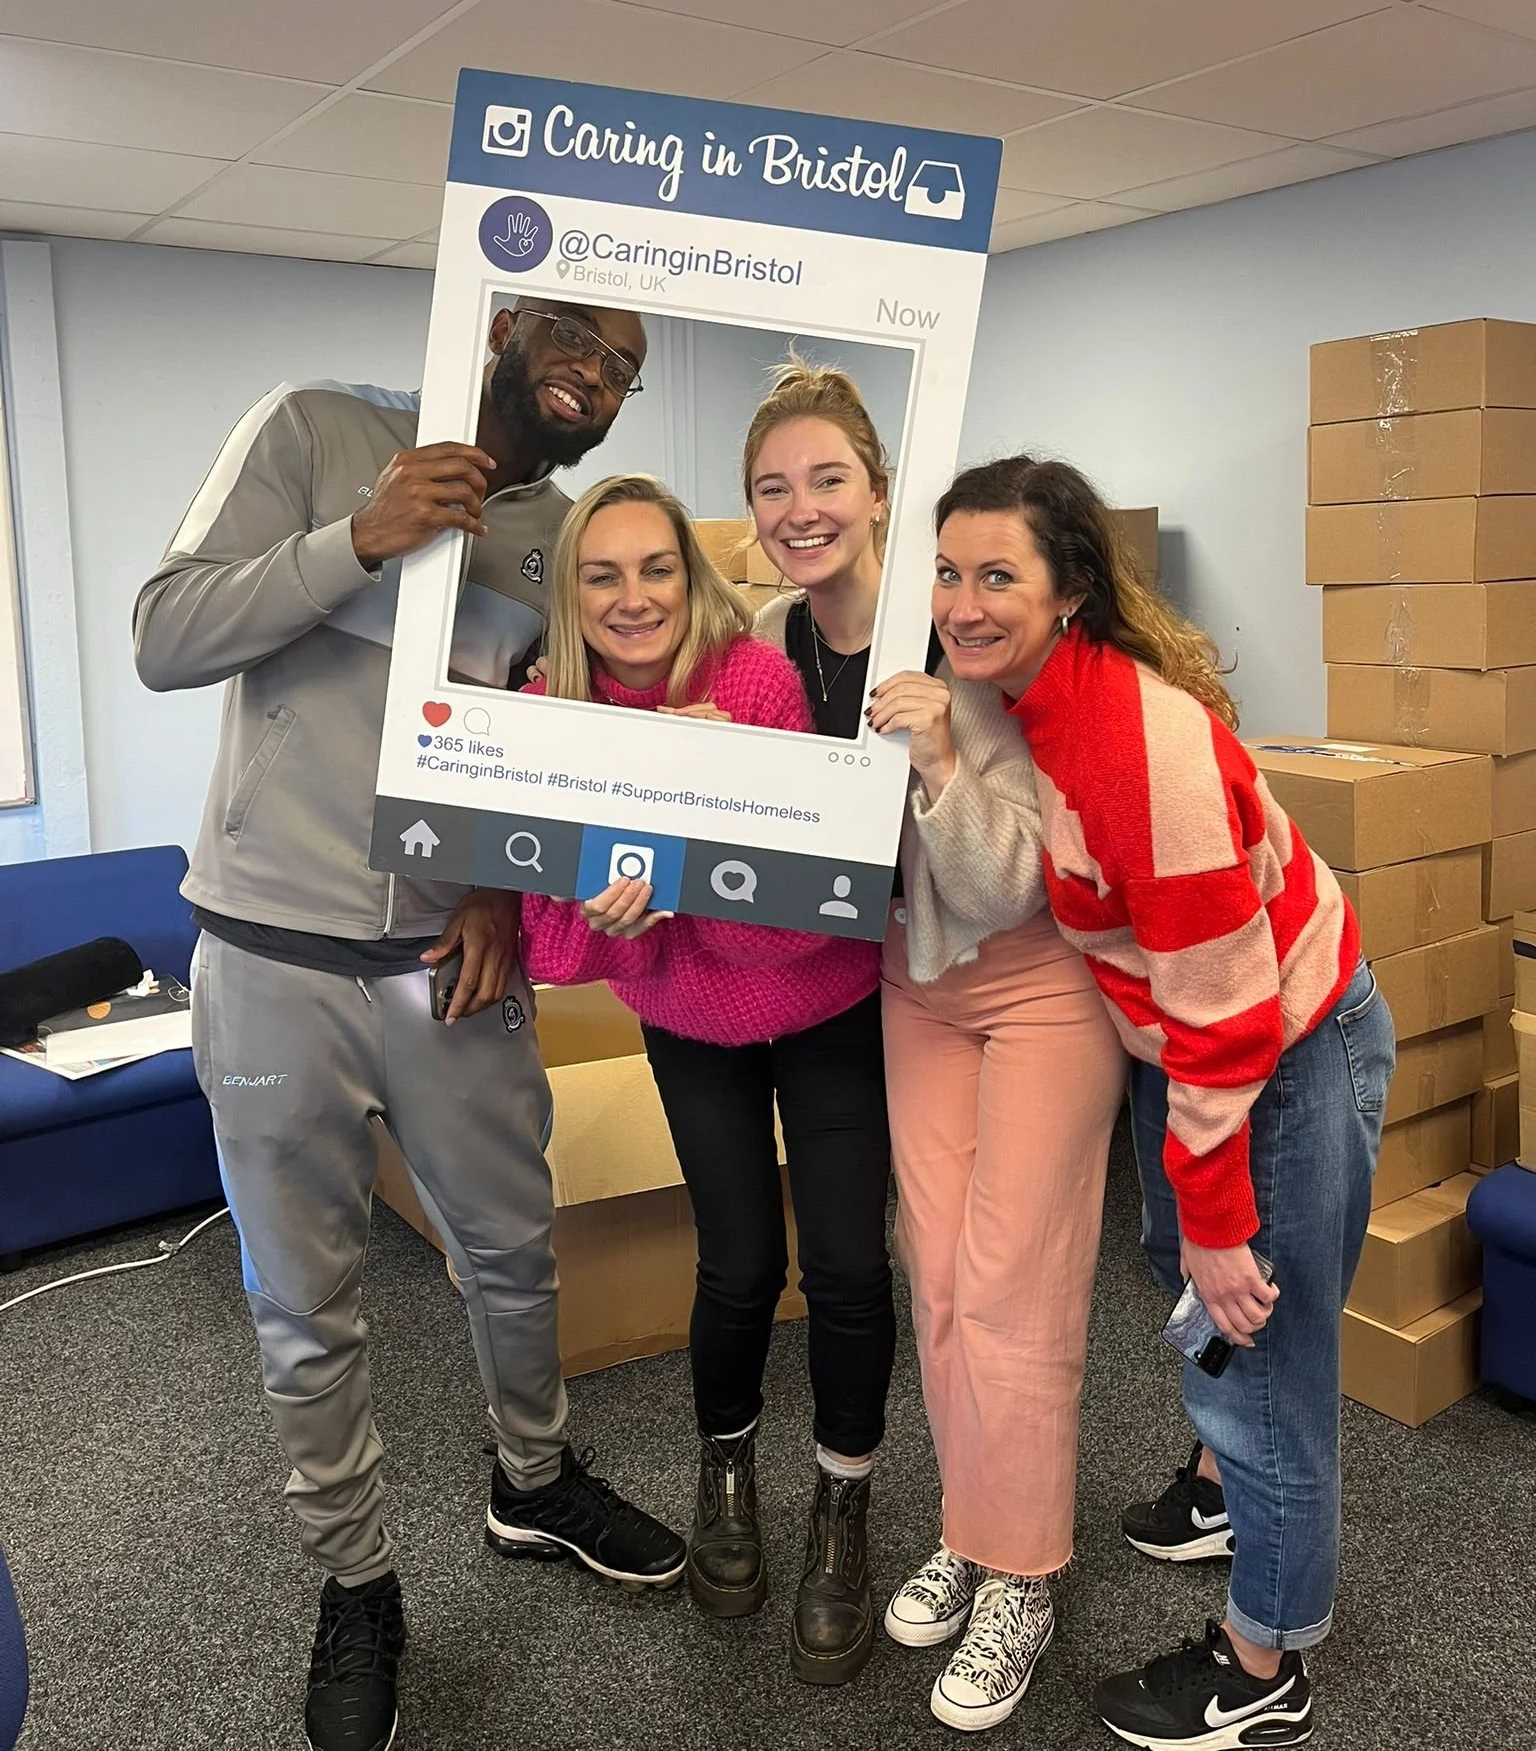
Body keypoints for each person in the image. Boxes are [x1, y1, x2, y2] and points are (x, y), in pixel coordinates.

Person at [133, 301, 687, 1751]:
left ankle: (533, 1479)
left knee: (512, 1247)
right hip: (271, 955)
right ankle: (357, 1583)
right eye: (577, 338)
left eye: (624, 368)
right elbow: (163, 635)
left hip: (448, 965)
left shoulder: (564, 536)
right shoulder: (318, 428)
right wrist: (358, 539)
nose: (594, 375)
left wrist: (501, 886)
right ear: (505, 322)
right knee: (304, 1305)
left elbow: (542, 750)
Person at [911, 455, 1390, 1751]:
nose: (962, 601)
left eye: (997, 574)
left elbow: (1228, 1019)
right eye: (948, 572)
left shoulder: (1133, 743)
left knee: (1262, 1360)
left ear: (1070, 588)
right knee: (1189, 1283)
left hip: (1277, 1045)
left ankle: (1264, 1664)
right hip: (1190, 1035)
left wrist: (1222, 1220)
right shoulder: (1038, 700)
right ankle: (1225, 1489)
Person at [518, 474, 894, 1685]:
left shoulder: (755, 685)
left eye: (657, 568)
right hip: (688, 1021)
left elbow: (805, 922)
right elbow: (555, 945)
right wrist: (628, 915)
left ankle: (841, 1503)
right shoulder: (552, 711)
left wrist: (693, 860)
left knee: (846, 1265)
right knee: (738, 1264)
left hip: (825, 1004)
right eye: (603, 574)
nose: (634, 598)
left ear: (691, 575)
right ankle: (726, 1472)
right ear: (573, 591)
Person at [863, 593, 1127, 1729]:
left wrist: (938, 759)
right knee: (935, 1276)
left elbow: (1006, 879)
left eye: (828, 493)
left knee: (1014, 1283)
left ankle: (1022, 1575)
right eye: (770, 500)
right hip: (913, 976)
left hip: (1037, 975)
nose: (798, 514)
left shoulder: (1000, 663)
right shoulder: (780, 635)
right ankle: (973, 1529)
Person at [742, 357, 889, 739]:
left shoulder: (950, 640)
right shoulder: (764, 638)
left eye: (829, 481)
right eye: (774, 490)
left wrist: (945, 763)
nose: (801, 514)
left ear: (877, 496)